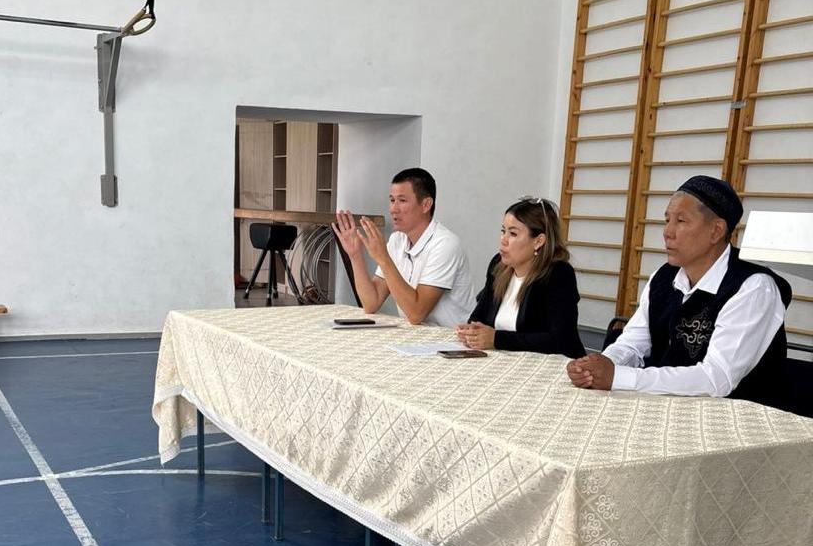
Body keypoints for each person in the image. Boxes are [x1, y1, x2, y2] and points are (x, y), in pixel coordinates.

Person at [566, 175, 792, 406]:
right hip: (666, 407)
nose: (668, 232)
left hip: (737, 417)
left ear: (716, 231)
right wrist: (598, 366)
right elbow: (633, 343)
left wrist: (619, 377)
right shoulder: (664, 277)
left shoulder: (754, 287)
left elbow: (716, 379)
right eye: (667, 220)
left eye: (681, 221)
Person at [331, 168, 473, 327]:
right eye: (392, 200)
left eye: (402, 201)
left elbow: (416, 314)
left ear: (426, 205)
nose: (393, 209)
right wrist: (355, 255)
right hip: (416, 335)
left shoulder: (445, 244)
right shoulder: (397, 239)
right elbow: (371, 303)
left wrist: (383, 258)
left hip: (451, 338)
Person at [455, 197, 585, 358]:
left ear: (538, 241)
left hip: (551, 365)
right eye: (503, 231)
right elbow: (478, 317)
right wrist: (472, 332)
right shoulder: (498, 265)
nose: (503, 240)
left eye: (513, 234)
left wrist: (497, 339)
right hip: (503, 361)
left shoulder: (558, 274)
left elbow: (561, 340)